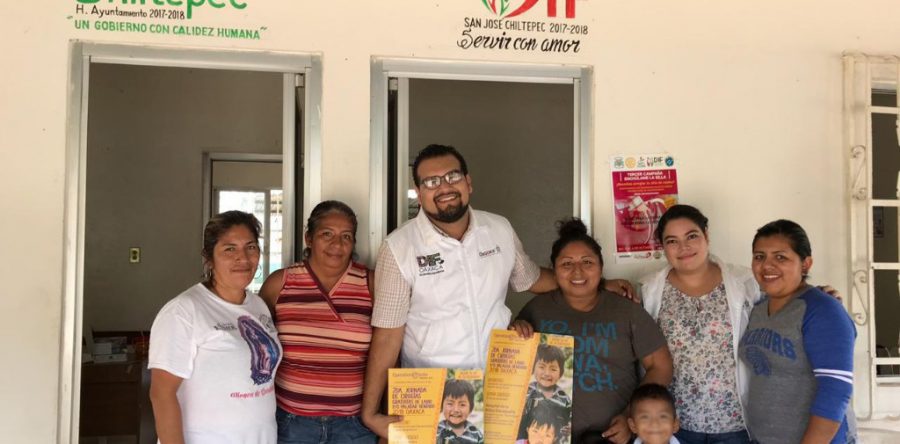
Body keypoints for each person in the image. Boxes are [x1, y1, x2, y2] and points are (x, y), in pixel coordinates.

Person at [361, 144, 633, 438]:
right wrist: (370, 411)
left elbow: (532, 279)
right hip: (431, 391)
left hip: (500, 386)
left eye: (453, 176)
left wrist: (595, 283)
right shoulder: (399, 248)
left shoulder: (498, 229)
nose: (444, 187)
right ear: (418, 191)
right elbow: (387, 335)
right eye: (431, 181)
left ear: (468, 182)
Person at [510, 218, 673, 443]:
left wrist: (631, 416)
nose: (577, 272)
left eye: (587, 262)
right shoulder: (537, 310)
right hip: (548, 435)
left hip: (612, 438)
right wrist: (515, 332)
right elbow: (512, 367)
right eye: (566, 264)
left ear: (601, 267)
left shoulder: (626, 310)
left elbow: (661, 366)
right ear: (554, 270)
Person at [149, 210, 282, 444]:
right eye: (229, 249)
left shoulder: (258, 305)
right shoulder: (184, 311)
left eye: (251, 247)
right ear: (209, 258)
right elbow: (162, 394)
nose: (243, 257)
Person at [258, 200, 377, 443]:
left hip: (354, 426)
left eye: (346, 236)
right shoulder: (279, 284)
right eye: (327, 234)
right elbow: (257, 350)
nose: (337, 244)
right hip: (291, 423)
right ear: (309, 238)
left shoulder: (371, 284)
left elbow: (389, 353)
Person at [738, 220, 856, 444]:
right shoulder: (757, 309)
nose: (767, 265)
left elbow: (835, 391)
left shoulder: (822, 310)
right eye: (759, 256)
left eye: (780, 257)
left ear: (805, 264)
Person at [518, 344, 572, 441]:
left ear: (561, 373)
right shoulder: (525, 392)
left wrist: (569, 427)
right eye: (542, 367)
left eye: (553, 369)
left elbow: (569, 420)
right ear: (533, 368)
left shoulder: (564, 398)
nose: (547, 373)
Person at [435, 379, 484, 444]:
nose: (456, 410)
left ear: (470, 408)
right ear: (441, 405)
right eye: (450, 403)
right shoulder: (435, 431)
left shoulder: (476, 434)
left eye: (462, 405)